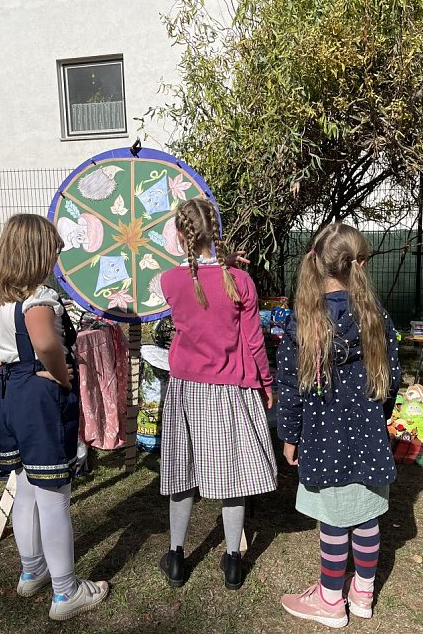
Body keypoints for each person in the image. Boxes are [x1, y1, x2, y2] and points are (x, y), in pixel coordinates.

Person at [0, 214, 109, 622]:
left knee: (24, 486)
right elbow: (44, 342)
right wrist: (60, 374)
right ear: (38, 251)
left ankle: (32, 570)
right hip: (40, 400)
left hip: (9, 396)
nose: (58, 255)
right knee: (54, 495)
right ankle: (65, 591)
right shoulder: (38, 299)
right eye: (54, 248)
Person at [276, 223, 401, 628]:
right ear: (359, 264)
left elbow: (289, 387)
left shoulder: (305, 320)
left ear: (316, 262)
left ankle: (331, 600)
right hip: (367, 435)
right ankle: (362, 594)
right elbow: (392, 378)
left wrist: (289, 436)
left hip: (324, 438)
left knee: (333, 521)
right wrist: (377, 421)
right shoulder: (376, 315)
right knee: (365, 517)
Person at [158, 197, 277, 590]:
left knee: (181, 472)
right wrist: (266, 384)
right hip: (231, 391)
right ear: (218, 232)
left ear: (180, 235)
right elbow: (255, 342)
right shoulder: (240, 281)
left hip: (186, 389)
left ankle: (176, 556)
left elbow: (190, 298)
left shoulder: (170, 280)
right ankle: (231, 560)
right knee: (234, 476)